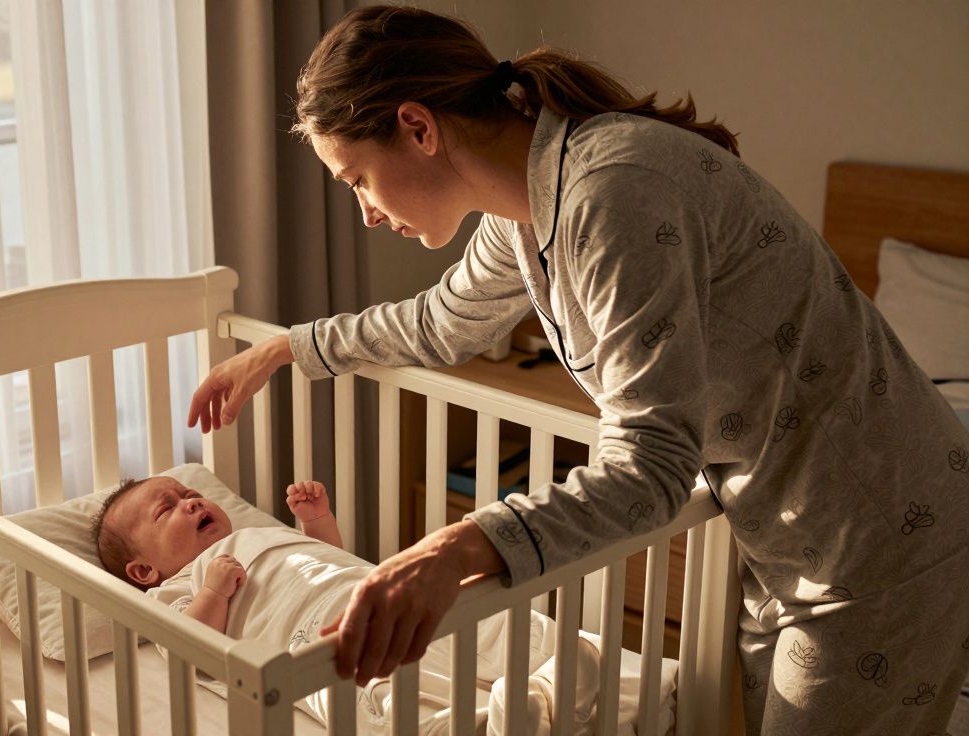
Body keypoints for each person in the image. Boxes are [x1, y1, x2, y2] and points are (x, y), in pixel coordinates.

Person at [187, 5, 969, 734]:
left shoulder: (613, 189)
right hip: (788, 529)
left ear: (417, 127)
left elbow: (653, 467)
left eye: (357, 179)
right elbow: (440, 321)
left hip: (879, 531)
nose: (364, 212)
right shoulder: (526, 202)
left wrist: (452, 551)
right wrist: (284, 348)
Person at [91, 475, 618, 733]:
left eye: (188, 493)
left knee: (474, 627)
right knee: (386, 696)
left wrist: (315, 521)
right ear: (143, 570)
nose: (192, 501)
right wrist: (212, 593)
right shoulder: (174, 590)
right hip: (314, 651)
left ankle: (553, 678)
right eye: (169, 509)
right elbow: (192, 651)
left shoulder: (256, 534)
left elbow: (332, 558)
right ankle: (488, 725)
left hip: (371, 598)